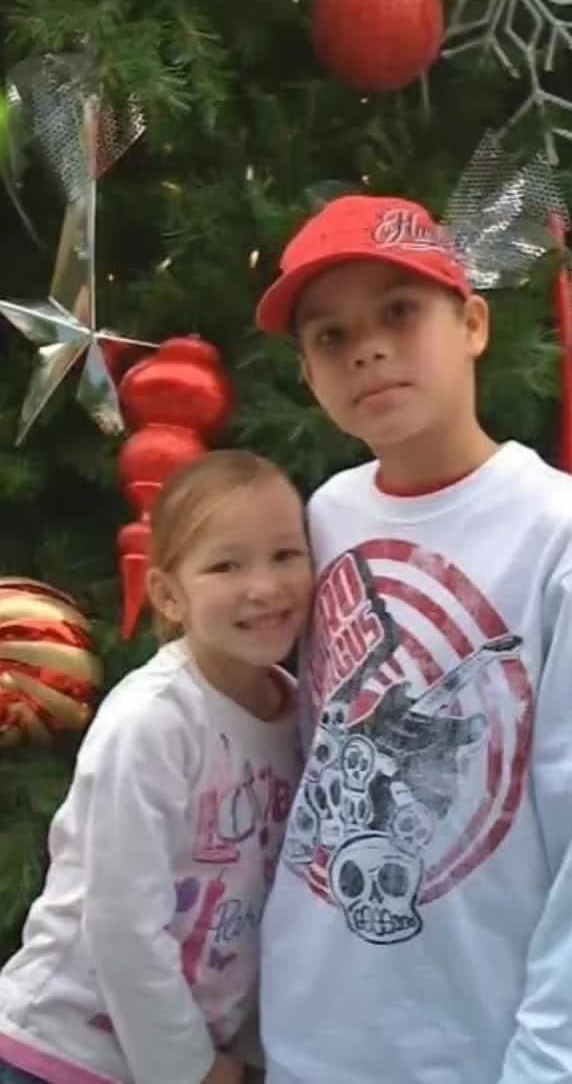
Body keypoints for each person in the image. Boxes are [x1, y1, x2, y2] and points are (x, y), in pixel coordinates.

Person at [255, 195, 572, 1084]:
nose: (367, 349)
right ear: (309, 373)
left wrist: (566, 1062)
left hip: (478, 1049)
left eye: (400, 312)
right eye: (330, 336)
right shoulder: (324, 515)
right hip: (308, 1036)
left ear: (473, 324)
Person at [0, 450, 312, 1084]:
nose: (265, 586)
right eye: (226, 565)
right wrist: (189, 1070)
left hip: (182, 1051)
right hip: (62, 1052)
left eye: (286, 554)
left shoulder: (299, 713)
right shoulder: (152, 722)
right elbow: (122, 922)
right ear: (169, 594)